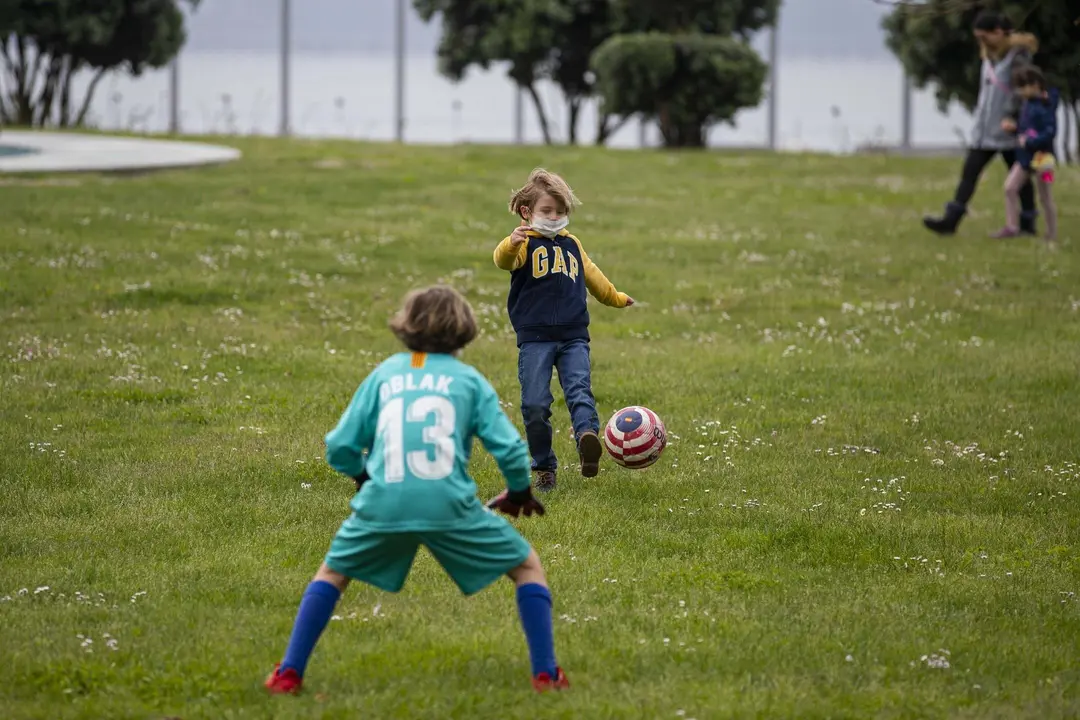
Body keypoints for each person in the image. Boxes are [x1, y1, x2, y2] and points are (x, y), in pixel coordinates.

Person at [264, 286, 569, 695]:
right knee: (527, 566)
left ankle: (288, 673)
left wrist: (364, 478)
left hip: (382, 503)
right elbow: (511, 449)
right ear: (464, 329)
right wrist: (518, 492)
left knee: (334, 573)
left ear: (406, 325)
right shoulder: (469, 380)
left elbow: (339, 446)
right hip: (449, 504)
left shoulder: (385, 374)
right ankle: (546, 675)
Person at [493, 168, 635, 493]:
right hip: (535, 340)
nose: (555, 217)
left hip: (573, 337)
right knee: (535, 405)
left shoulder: (572, 244)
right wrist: (510, 243)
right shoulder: (524, 243)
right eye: (547, 211)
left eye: (560, 211)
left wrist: (616, 298)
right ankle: (544, 467)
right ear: (527, 212)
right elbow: (503, 261)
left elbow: (594, 276)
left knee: (579, 391)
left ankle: (587, 440)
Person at [923, 11, 1039, 236]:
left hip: (1008, 130)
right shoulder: (989, 59)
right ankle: (951, 219)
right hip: (985, 130)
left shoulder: (1018, 57)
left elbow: (1022, 90)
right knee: (970, 173)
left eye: (984, 37)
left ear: (998, 32)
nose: (982, 42)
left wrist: (1012, 116)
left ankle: (1028, 222)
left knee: (1019, 178)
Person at [991, 65, 1059, 241]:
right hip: (1025, 158)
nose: (1020, 92)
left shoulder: (1047, 105)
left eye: (1023, 87)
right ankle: (1012, 226)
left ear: (1035, 84)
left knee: (1045, 196)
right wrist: (1014, 130)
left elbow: (1049, 132)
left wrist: (1030, 141)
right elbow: (1026, 129)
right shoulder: (1027, 104)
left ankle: (1051, 233)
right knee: (1010, 188)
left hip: (1044, 159)